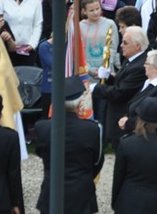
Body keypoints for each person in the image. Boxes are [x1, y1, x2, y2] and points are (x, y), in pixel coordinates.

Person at [35, 76, 104, 214]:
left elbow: (40, 153)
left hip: (52, 188)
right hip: (81, 191)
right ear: (80, 103)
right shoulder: (93, 129)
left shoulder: (42, 127)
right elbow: (97, 161)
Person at [112, 97, 157, 214]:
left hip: (128, 201)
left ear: (139, 117)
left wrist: (115, 202)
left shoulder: (126, 143)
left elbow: (118, 176)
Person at [93, 25, 148, 148]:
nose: (121, 45)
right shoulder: (131, 60)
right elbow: (122, 82)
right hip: (118, 118)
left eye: (125, 42)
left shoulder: (139, 66)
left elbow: (121, 92)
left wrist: (96, 88)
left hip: (124, 119)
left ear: (137, 45)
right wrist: (109, 77)